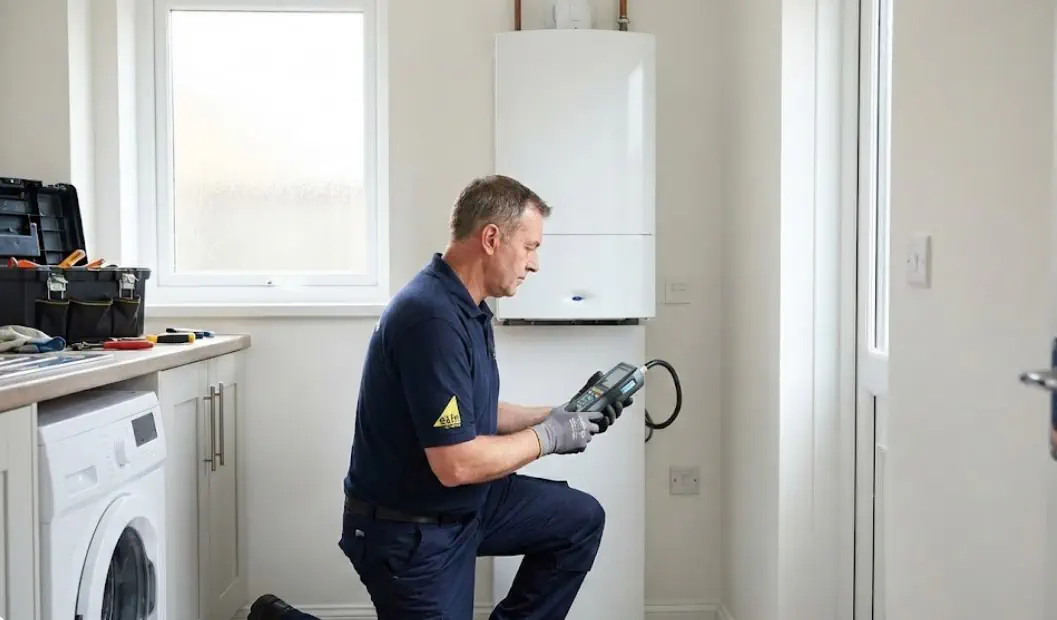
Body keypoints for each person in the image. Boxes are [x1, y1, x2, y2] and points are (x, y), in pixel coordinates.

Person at [336, 174, 633, 619]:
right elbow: (456, 464)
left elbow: (466, 412)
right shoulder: (430, 318)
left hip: (464, 507)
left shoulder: (466, 308)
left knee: (578, 521)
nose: (534, 264)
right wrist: (549, 436)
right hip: (410, 530)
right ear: (492, 238)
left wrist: (559, 414)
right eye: (530, 247)